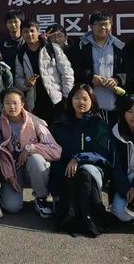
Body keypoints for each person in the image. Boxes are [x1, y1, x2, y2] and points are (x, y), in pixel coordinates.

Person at [49, 84, 112, 237]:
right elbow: (54, 150)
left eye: (85, 98)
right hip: (66, 170)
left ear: (92, 101)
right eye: (76, 98)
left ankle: (89, 214)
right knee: (58, 168)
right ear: (70, 100)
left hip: (92, 170)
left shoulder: (99, 124)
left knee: (85, 171)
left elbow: (103, 155)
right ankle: (63, 209)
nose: (80, 102)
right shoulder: (61, 124)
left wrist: (79, 159)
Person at [0, 88, 61, 217]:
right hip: (14, 169)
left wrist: (30, 149)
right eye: (7, 103)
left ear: (23, 104)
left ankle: (41, 198)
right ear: (2, 105)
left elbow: (56, 150)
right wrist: (9, 176)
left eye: (15, 103)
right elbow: (0, 154)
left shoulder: (35, 121)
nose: (12, 107)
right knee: (12, 207)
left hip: (33, 167)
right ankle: (5, 193)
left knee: (36, 159)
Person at [70, 11, 126, 126]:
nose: (104, 27)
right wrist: (90, 77)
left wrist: (117, 79)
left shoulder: (119, 46)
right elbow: (71, 69)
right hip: (88, 102)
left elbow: (128, 70)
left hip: (114, 103)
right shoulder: (81, 46)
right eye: (99, 24)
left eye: (107, 24)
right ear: (91, 26)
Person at [15, 19, 74, 125]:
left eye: (32, 31)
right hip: (35, 104)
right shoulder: (20, 54)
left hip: (57, 101)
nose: (29, 34)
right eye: (25, 31)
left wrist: (66, 96)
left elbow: (67, 73)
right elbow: (18, 78)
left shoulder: (51, 48)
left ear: (38, 32)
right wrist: (25, 84)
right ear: (22, 33)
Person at [110, 95, 134, 223]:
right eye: (129, 112)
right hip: (124, 181)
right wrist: (127, 189)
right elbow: (115, 166)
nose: (133, 116)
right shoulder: (116, 132)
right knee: (122, 213)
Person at [0, 10, 25, 76]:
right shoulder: (1, 43)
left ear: (21, 22)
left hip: (25, 80)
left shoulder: (27, 42)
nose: (13, 24)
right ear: (6, 24)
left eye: (15, 21)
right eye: (10, 22)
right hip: (7, 79)